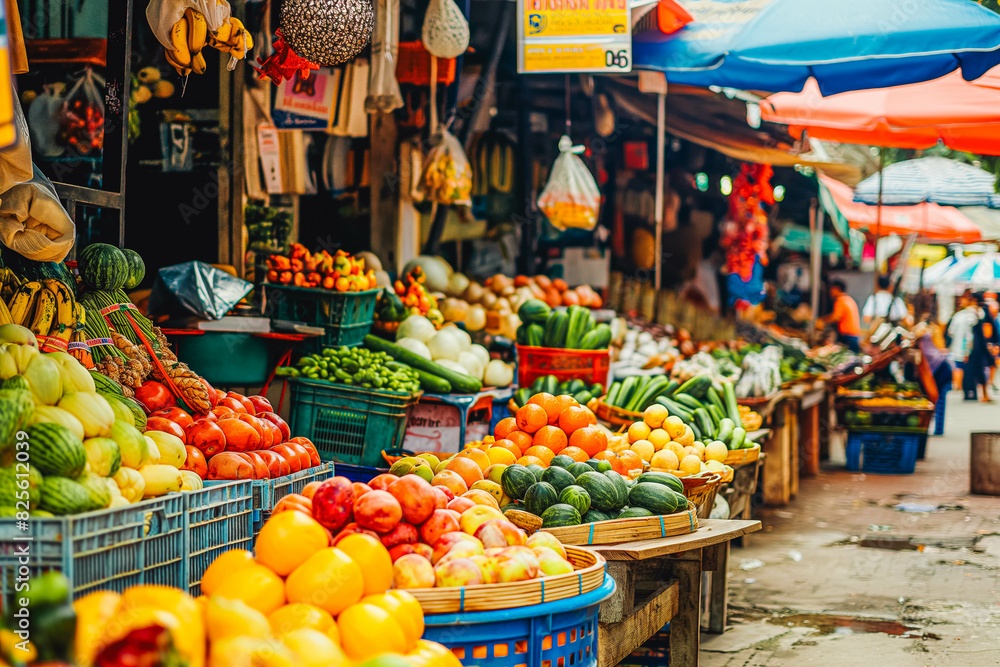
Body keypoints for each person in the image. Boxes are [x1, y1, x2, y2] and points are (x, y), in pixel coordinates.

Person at [962, 293, 999, 402]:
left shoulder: (978, 312)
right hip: (978, 345)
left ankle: (982, 393)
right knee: (978, 369)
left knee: (980, 369)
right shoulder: (976, 312)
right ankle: (980, 394)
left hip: (978, 345)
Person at [818, 279, 861, 352]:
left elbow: (836, 317)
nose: (830, 292)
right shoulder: (849, 299)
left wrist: (821, 320)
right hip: (854, 337)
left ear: (837, 289)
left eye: (832, 289)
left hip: (847, 337)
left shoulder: (840, 301)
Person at [947, 292, 979, 388]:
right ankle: (960, 385)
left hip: (957, 346)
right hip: (965, 347)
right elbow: (970, 335)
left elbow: (950, 332)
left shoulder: (958, 315)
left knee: (957, 365)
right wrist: (967, 350)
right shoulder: (972, 315)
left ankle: (958, 384)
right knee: (961, 366)